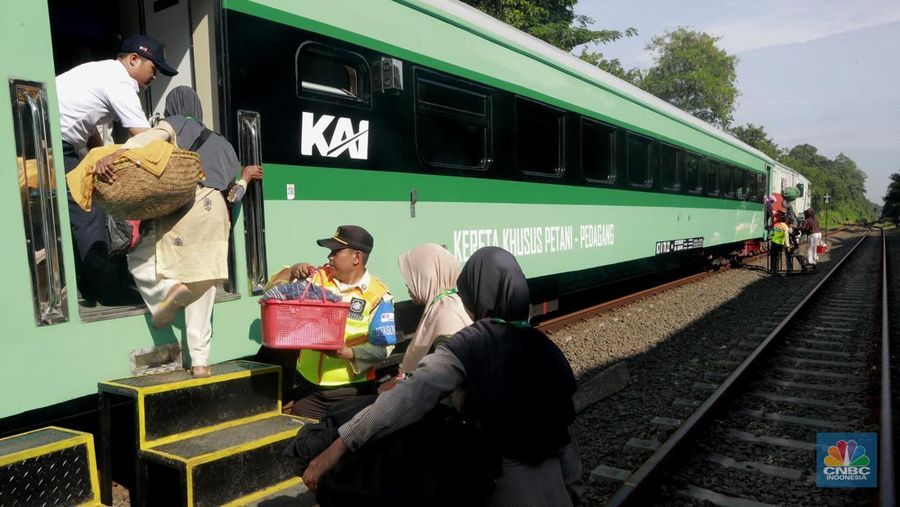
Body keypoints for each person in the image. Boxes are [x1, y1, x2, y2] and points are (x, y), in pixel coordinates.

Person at [302, 246, 583, 506]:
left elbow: (408, 398)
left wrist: (341, 443)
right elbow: (566, 434)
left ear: (476, 292)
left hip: (501, 488)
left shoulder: (472, 344)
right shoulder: (545, 347)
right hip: (553, 488)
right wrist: (574, 489)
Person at [96, 86, 263, 377]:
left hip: (186, 204)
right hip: (217, 214)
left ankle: (166, 292)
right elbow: (233, 196)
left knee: (142, 259)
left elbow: (150, 138)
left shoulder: (175, 123)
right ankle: (200, 363)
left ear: (174, 107)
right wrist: (246, 179)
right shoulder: (223, 143)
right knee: (204, 285)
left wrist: (117, 153)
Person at [57, 34, 178, 305]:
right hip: (54, 143)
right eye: (153, 68)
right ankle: (107, 290)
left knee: (80, 209)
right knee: (89, 209)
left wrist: (104, 156)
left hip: (54, 140)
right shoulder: (120, 81)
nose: (155, 76)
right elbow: (145, 137)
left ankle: (87, 286)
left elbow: (88, 130)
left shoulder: (98, 72)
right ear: (134, 59)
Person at [266, 225, 396, 419]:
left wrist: (346, 353)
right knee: (304, 444)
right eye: (330, 252)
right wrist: (291, 272)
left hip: (351, 393)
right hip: (308, 391)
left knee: (346, 446)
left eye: (336, 252)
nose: (330, 257)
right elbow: (270, 294)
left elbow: (383, 348)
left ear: (357, 257)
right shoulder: (317, 278)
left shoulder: (379, 295)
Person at [395, 243, 473, 379]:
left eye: (413, 276)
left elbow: (443, 376)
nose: (407, 284)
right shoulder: (443, 305)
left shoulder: (447, 314)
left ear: (426, 276)